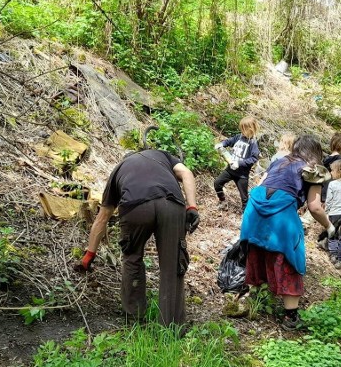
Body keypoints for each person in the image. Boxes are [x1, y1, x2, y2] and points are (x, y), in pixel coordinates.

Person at [77, 149, 199, 328]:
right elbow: (186, 173)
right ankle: (171, 327)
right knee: (172, 265)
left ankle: (135, 319)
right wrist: (192, 207)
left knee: (132, 257)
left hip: (135, 207)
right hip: (171, 204)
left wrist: (89, 255)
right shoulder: (162, 155)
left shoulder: (119, 169)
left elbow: (102, 218)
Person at [240, 134, 334, 331]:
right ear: (316, 153)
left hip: (255, 205)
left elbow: (260, 184)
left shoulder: (280, 161)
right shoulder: (314, 171)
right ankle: (291, 317)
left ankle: (256, 299)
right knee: (290, 256)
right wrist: (329, 226)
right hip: (281, 210)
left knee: (257, 249)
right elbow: (315, 207)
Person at [214, 116, 260, 212]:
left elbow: (254, 158)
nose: (242, 131)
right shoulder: (238, 137)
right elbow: (229, 141)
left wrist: (239, 163)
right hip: (230, 170)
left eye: (244, 129)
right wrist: (222, 144)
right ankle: (223, 202)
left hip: (242, 175)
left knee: (244, 197)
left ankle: (246, 213)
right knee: (217, 183)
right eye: (241, 129)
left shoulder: (253, 143)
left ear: (251, 130)